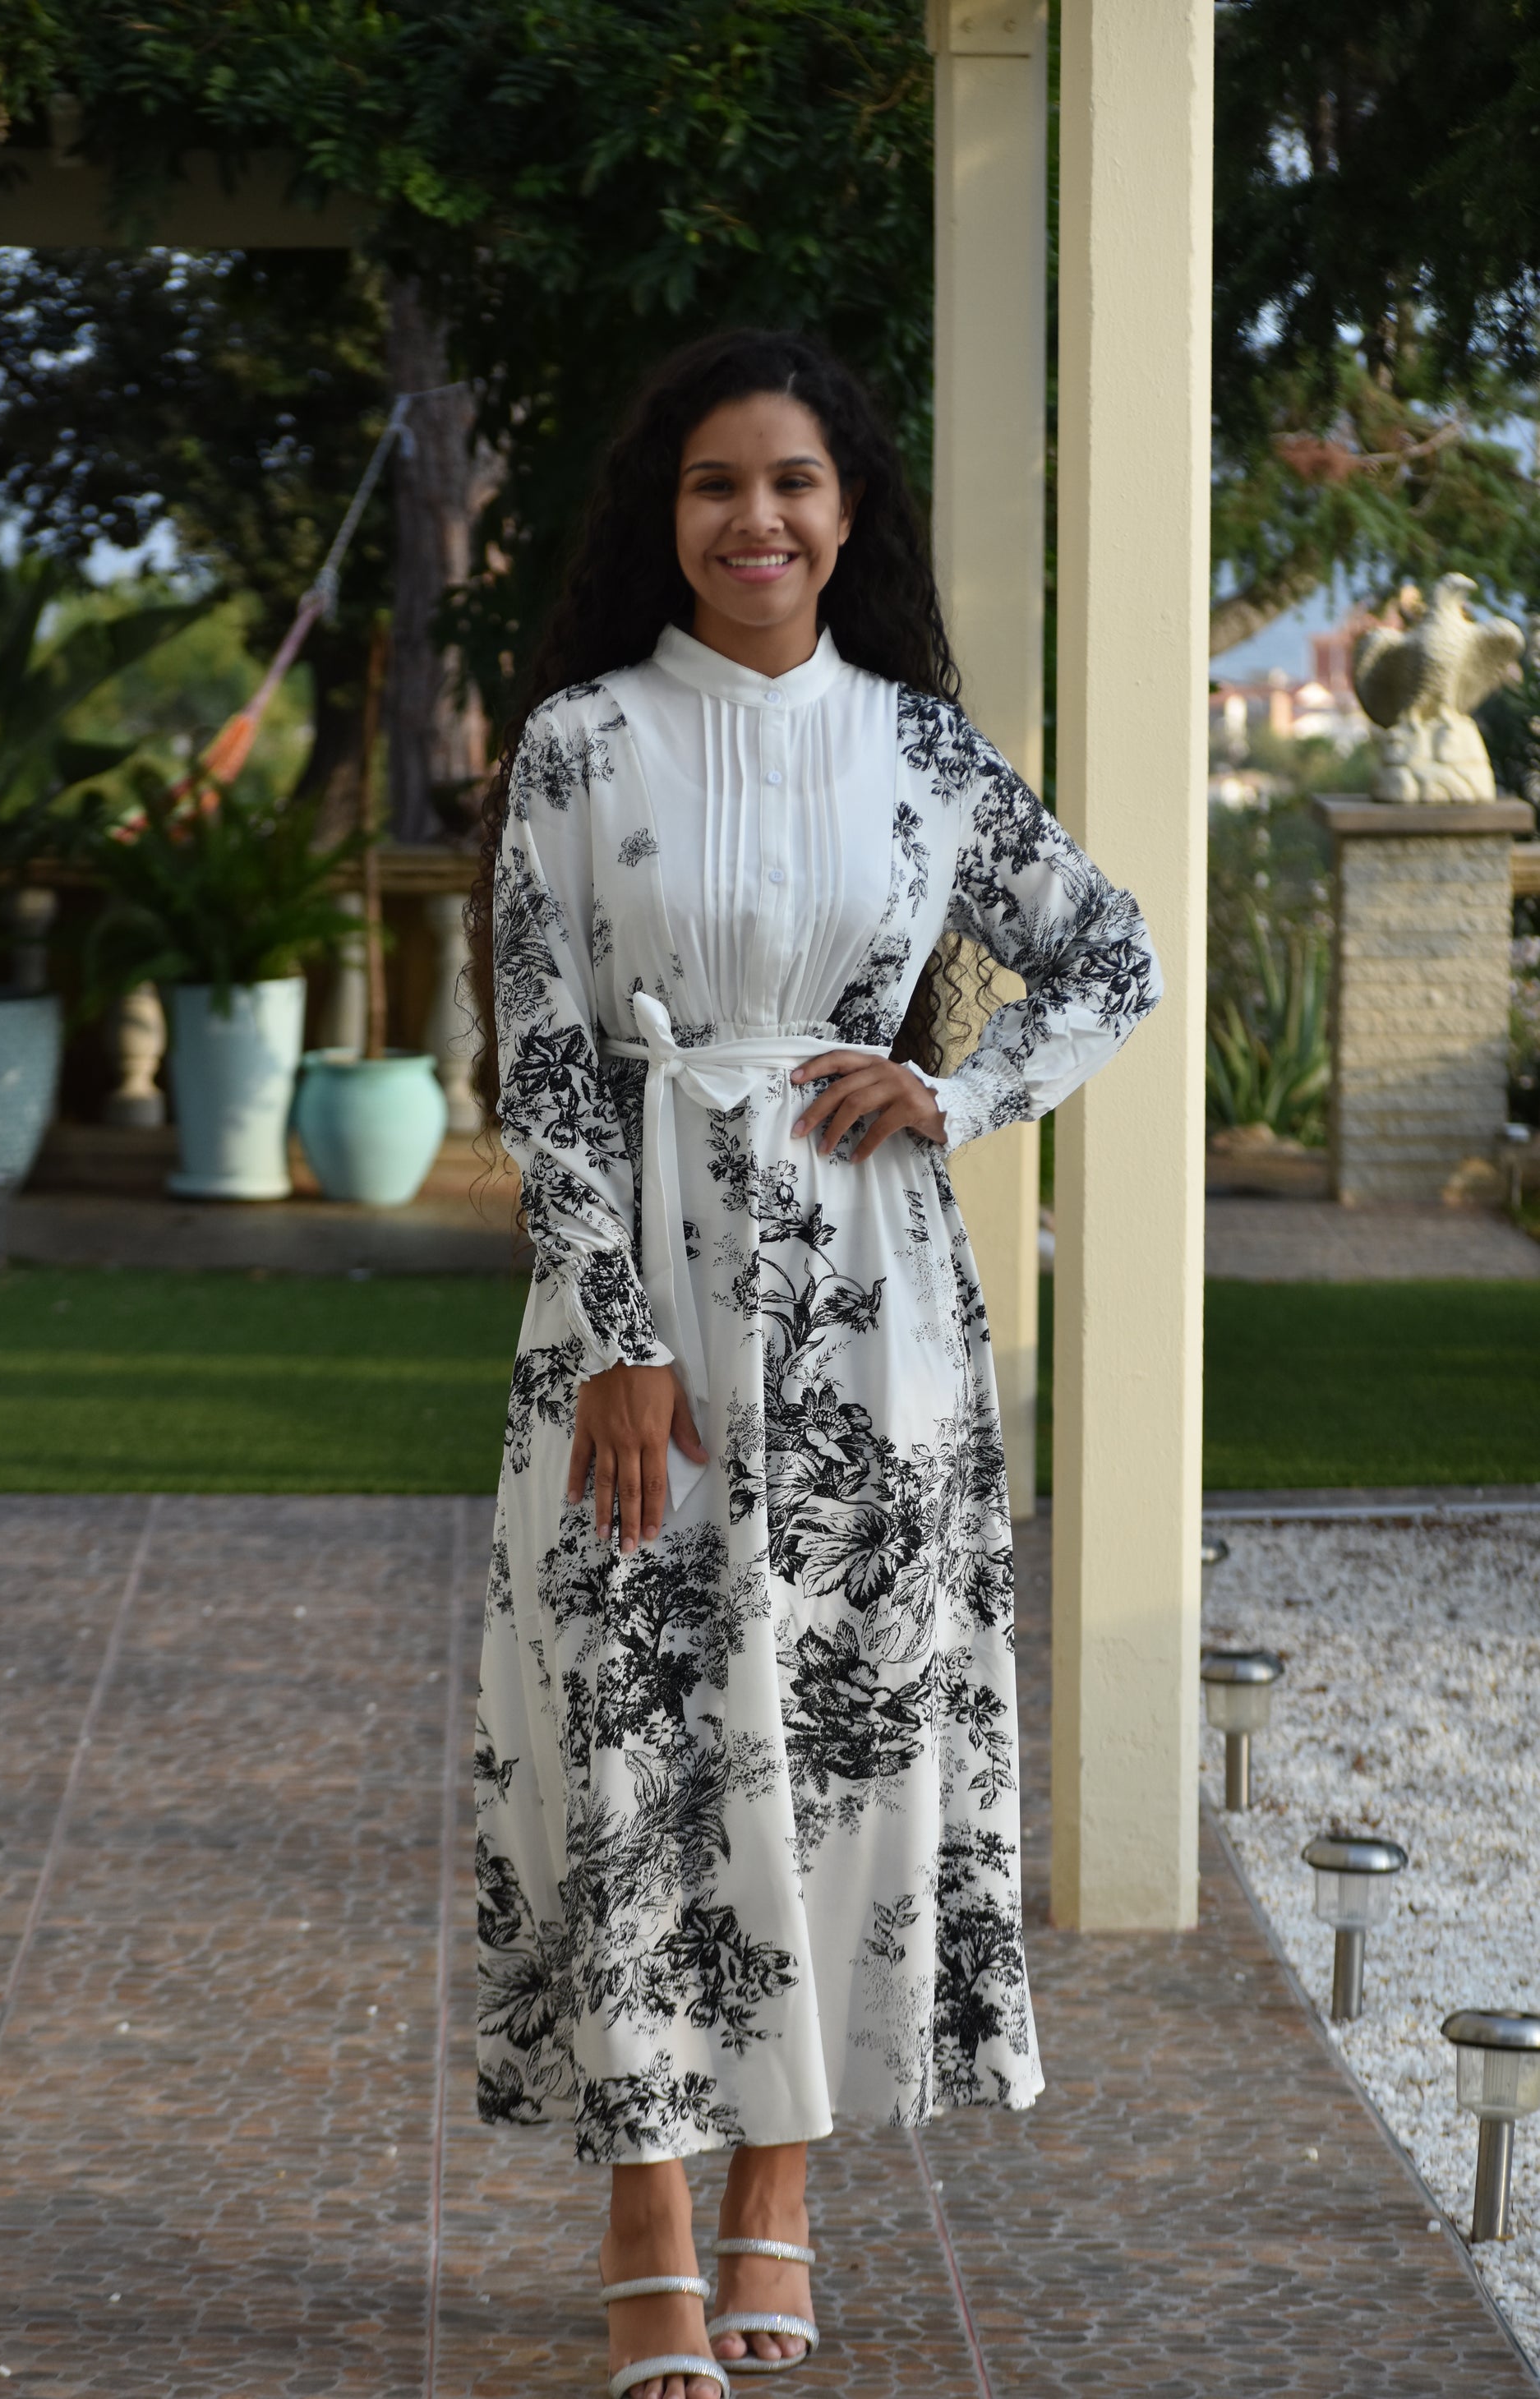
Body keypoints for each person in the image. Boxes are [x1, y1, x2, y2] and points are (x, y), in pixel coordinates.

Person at [464, 327, 1160, 2399]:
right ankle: (649, 2213)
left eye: (791, 482)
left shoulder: (926, 753)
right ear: (661, 521)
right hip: (641, 1309)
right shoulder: (581, 744)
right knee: (636, 1736)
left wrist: (956, 1093)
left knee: (845, 1744)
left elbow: (1111, 953)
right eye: (711, 484)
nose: (753, 517)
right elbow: (550, 1060)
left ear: (849, 513)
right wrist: (614, 1336)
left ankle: (777, 2188)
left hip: (877, 1320)